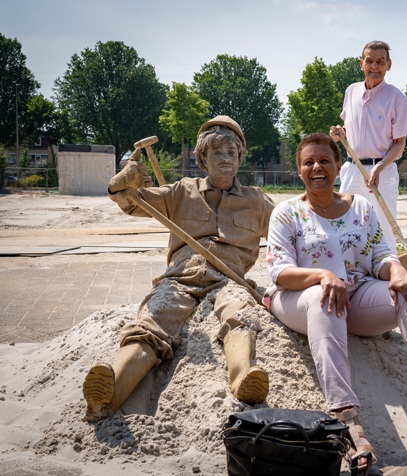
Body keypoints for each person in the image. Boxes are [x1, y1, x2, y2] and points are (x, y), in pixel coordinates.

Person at [265, 133, 407, 470]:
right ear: (298, 170)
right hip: (299, 298)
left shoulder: (360, 207)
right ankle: (346, 422)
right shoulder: (287, 213)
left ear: (338, 166)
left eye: (324, 161)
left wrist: (398, 271)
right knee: (323, 297)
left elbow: (381, 256)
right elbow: (280, 271)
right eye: (308, 162)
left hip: (355, 296)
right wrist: (322, 275)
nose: (317, 168)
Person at [82, 116, 275, 421]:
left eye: (232, 152)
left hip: (229, 280)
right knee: (154, 319)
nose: (226, 158)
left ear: (240, 158)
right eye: (217, 152)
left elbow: (289, 232)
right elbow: (132, 201)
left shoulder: (258, 201)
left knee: (239, 312)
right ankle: (111, 388)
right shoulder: (181, 191)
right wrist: (122, 182)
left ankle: (243, 378)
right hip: (180, 279)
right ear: (202, 159)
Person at [329, 40, 407, 253]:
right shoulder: (351, 92)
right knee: (343, 223)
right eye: (369, 61)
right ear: (361, 64)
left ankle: (389, 268)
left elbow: (399, 144)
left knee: (384, 229)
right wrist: (339, 134)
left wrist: (380, 167)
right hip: (352, 169)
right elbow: (351, 131)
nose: (374, 66)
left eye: (380, 62)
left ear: (388, 65)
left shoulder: (397, 98)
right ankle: (347, 267)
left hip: (382, 172)